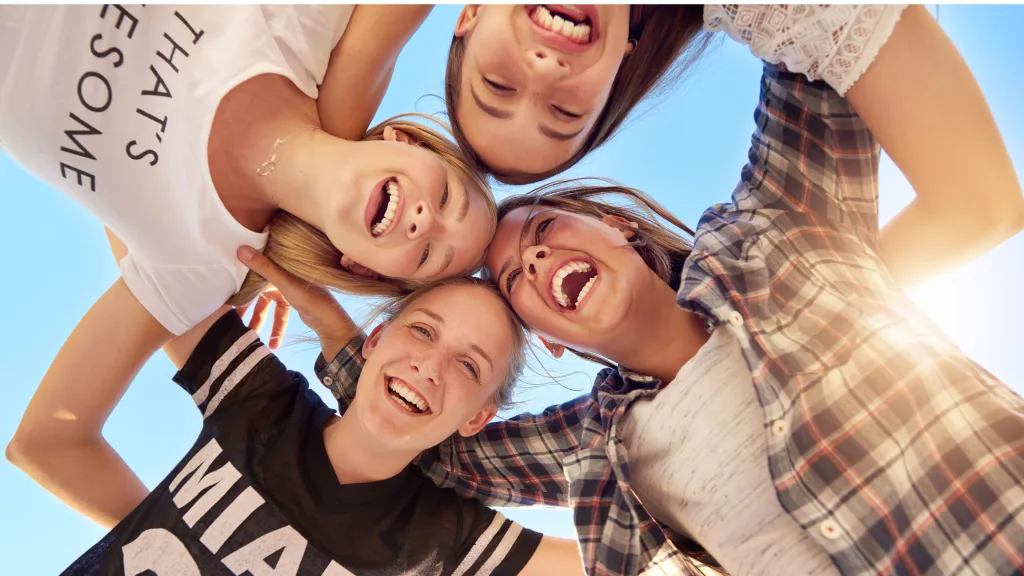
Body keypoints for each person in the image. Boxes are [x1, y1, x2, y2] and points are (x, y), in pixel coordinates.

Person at [321, 32, 1024, 576]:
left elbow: (816, 44)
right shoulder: (593, 445)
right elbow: (430, 433)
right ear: (550, 338)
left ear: (617, 228)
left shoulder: (774, 231)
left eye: (543, 230)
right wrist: (313, 292)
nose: (532, 260)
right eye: (512, 281)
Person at [6, 247, 585, 575]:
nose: (429, 367)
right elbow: (142, 232)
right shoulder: (259, 402)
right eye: (422, 331)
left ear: (476, 417)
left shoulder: (449, 540)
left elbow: (651, 562)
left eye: (469, 367)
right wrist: (167, 538)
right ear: (376, 339)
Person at [0, 4, 496, 346]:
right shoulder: (318, 53)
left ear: (365, 268)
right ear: (411, 145)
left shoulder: (208, 267)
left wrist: (282, 273)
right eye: (450, 197)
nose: (424, 222)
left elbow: (50, 442)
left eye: (429, 254)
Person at [444, 4, 1023, 287]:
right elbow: (979, 206)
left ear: (469, 14)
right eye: (565, 111)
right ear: (617, 69)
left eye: (498, 85)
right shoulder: (785, 13)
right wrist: (810, 324)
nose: (543, 71)